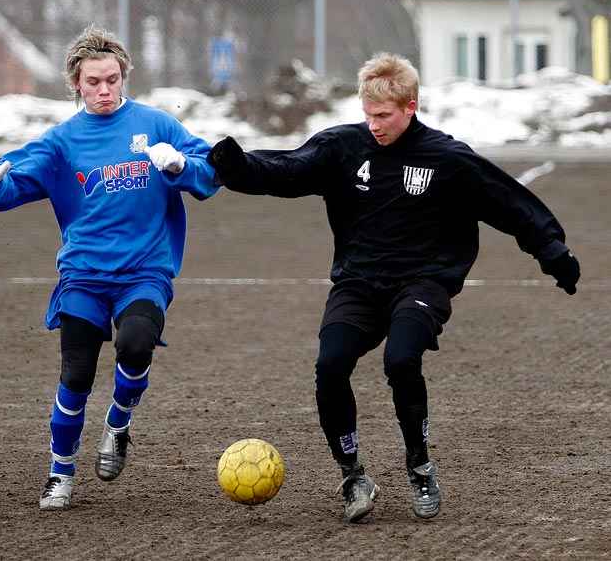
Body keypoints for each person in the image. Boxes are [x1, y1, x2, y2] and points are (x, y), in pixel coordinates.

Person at [206, 52, 580, 523]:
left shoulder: (447, 158)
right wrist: (238, 166)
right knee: (330, 365)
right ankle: (352, 474)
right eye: (368, 115)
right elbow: (288, 171)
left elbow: (507, 202)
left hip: (423, 281)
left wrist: (551, 250)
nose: (375, 125)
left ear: (411, 107)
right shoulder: (343, 148)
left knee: (400, 359)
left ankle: (420, 466)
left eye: (384, 116)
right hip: (360, 282)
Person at [0, 24, 218, 510]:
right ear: (75, 85)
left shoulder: (157, 126)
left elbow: (210, 172)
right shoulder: (62, 141)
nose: (104, 90)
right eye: (93, 82)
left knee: (136, 342)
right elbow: (14, 180)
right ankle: (60, 471)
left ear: (123, 76)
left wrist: (181, 168)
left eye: (112, 80)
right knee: (76, 375)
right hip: (83, 275)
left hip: (144, 271)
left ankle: (118, 423)